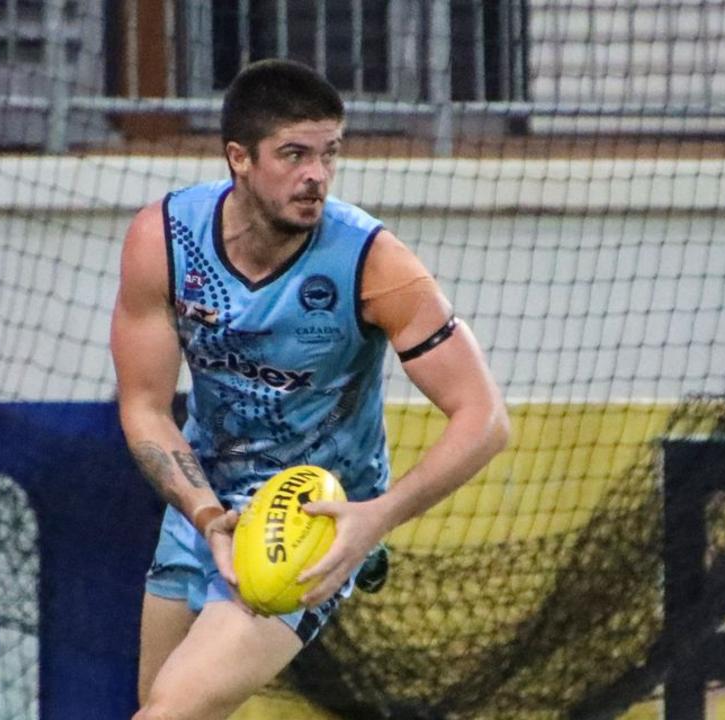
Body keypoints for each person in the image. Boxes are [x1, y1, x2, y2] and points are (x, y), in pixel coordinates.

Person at [110, 58, 510, 720]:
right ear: (239, 158)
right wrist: (206, 517)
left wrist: (374, 519)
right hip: (205, 507)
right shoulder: (164, 239)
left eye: (328, 154)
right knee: (157, 704)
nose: (315, 176)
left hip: (311, 520)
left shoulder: (372, 263)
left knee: (168, 714)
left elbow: (485, 418)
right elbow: (144, 406)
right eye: (293, 155)